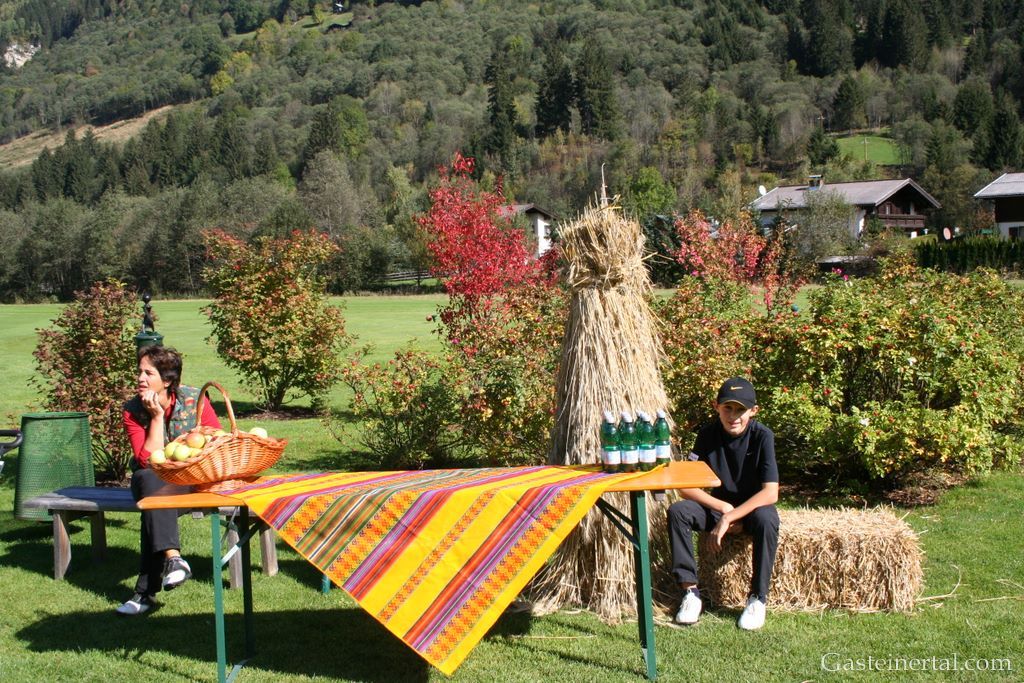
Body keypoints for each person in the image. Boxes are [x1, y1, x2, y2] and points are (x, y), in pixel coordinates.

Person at [667, 377, 780, 631]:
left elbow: (770, 493)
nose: (733, 416)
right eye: (727, 408)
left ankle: (757, 598)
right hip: (719, 507)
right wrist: (722, 509)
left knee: (767, 518)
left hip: (752, 510)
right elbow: (685, 487)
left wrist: (731, 516)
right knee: (678, 511)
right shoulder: (707, 435)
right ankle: (690, 592)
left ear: (753, 411)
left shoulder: (763, 436)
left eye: (741, 409)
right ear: (716, 406)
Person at [117, 345, 221, 616]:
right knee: (150, 481)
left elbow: (217, 442)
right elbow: (146, 460)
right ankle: (174, 559)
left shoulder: (195, 400)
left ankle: (144, 594)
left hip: (192, 479)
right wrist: (156, 417)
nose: (140, 378)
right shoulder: (133, 410)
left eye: (148, 373)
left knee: (153, 504)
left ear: (166, 381)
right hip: (151, 480)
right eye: (139, 372)